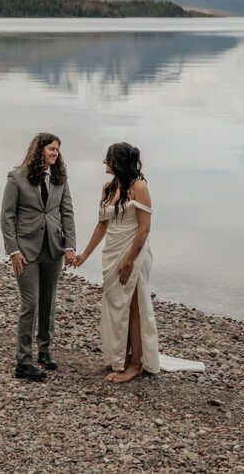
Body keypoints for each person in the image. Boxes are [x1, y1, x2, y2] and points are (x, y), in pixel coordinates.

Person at [74, 143, 161, 383]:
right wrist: (84, 255)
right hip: (112, 250)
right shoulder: (108, 188)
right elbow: (102, 225)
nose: (104, 162)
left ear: (118, 161)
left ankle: (135, 365)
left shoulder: (139, 187)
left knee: (133, 305)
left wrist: (129, 261)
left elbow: (144, 230)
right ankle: (122, 355)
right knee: (116, 304)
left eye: (108, 158)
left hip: (133, 251)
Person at [0, 132, 76, 382]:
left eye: (57, 150)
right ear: (39, 149)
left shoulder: (59, 178)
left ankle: (45, 351)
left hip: (53, 249)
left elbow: (67, 213)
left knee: (48, 302)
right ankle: (23, 362)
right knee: (30, 304)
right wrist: (13, 250)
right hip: (26, 252)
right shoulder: (17, 177)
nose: (55, 153)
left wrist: (70, 247)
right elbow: (7, 217)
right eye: (51, 149)